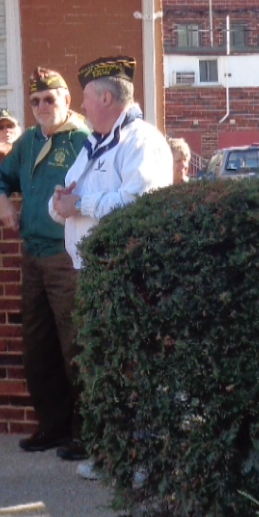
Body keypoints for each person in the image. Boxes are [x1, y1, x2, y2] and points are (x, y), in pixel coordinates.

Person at [48, 56, 174, 463]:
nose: (82, 107)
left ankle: (138, 458)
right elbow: (66, 201)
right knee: (102, 362)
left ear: (105, 97)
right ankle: (113, 452)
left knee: (129, 363)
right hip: (91, 270)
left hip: (126, 270)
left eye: (85, 98)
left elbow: (140, 202)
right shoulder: (94, 145)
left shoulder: (141, 141)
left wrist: (80, 202)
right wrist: (62, 204)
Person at [0, 68, 91, 456]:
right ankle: (53, 425)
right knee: (38, 346)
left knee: (76, 344)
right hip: (32, 255)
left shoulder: (83, 140)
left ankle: (87, 431)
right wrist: (1, 202)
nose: (43, 106)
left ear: (65, 99)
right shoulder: (29, 141)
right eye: (35, 101)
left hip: (67, 257)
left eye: (50, 99)